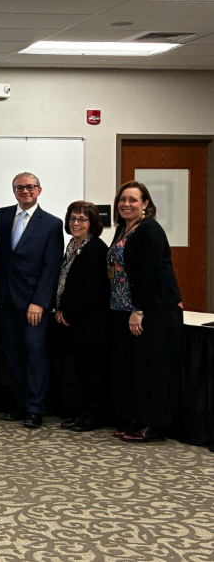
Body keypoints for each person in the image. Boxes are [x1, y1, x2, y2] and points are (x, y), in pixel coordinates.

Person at [107, 181, 183, 443]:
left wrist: (138, 310)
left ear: (146, 204)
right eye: (122, 199)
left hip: (152, 312)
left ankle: (155, 424)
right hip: (124, 309)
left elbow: (149, 273)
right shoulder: (122, 228)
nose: (126, 204)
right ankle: (137, 418)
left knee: (152, 369)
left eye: (133, 200)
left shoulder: (149, 229)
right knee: (134, 369)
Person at [0, 172, 64, 429]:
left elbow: (51, 266)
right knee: (13, 355)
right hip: (5, 299)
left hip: (33, 303)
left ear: (39, 190)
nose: (25, 191)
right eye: (19, 188)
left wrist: (40, 302)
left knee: (34, 354)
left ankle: (35, 408)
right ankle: (19, 403)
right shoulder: (0, 215)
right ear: (14, 192)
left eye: (30, 187)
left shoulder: (52, 223)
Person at [55, 201, 109, 433]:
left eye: (82, 219)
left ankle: (91, 417)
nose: (76, 223)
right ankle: (82, 414)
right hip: (75, 322)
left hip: (91, 323)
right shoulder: (72, 245)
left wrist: (67, 312)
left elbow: (90, 289)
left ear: (92, 223)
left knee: (92, 373)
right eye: (73, 219)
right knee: (82, 372)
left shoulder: (95, 248)